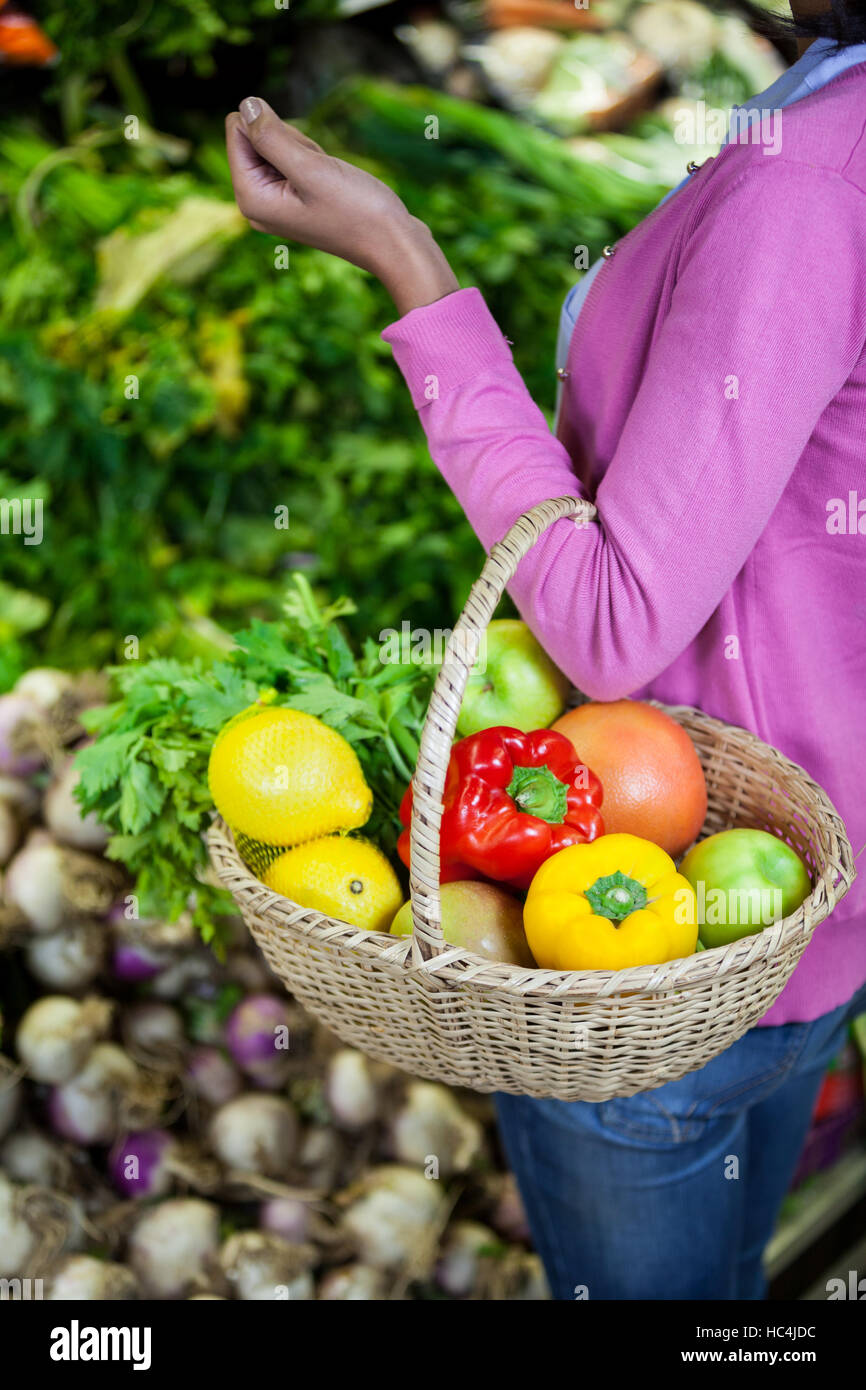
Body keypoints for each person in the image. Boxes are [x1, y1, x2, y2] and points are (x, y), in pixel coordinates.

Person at [225, 2, 866, 1299]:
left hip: (658, 954)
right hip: (795, 886)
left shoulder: (807, 184)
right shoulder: (827, 116)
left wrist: (405, 260)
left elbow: (611, 620)